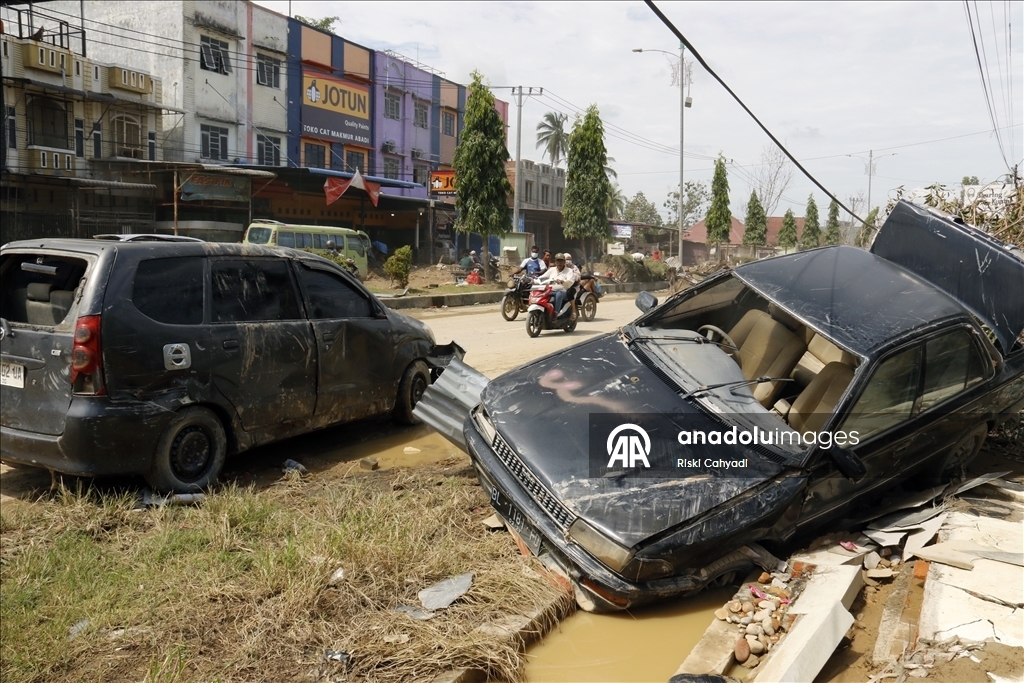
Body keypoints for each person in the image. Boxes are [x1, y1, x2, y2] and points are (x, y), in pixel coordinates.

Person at [538, 253, 578, 320]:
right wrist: (533, 280)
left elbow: (570, 281)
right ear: (555, 262)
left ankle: (556, 314)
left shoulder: (569, 271)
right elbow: (542, 278)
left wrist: (563, 282)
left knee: (558, 294)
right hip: (550, 290)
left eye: (561, 261)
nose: (559, 263)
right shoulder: (552, 270)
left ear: (564, 262)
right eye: (558, 261)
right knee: (540, 292)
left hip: (563, 291)